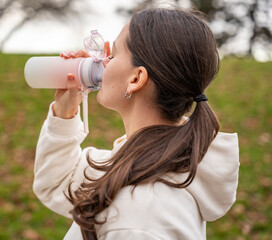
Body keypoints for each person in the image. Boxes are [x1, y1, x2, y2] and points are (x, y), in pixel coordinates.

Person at [32, 6, 240, 240]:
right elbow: (57, 182)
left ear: (136, 78)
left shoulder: (141, 215)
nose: (102, 62)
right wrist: (66, 109)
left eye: (113, 54)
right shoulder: (149, 162)